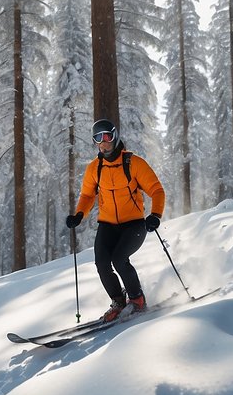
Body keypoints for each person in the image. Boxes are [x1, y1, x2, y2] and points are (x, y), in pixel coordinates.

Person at [65, 119, 166, 322]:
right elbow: (86, 196)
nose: (103, 143)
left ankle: (137, 300)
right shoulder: (95, 168)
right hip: (108, 225)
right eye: (98, 139)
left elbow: (156, 190)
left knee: (119, 259)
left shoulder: (133, 163)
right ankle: (119, 302)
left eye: (107, 137)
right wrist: (79, 215)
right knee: (102, 262)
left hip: (134, 224)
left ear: (115, 136)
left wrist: (155, 215)